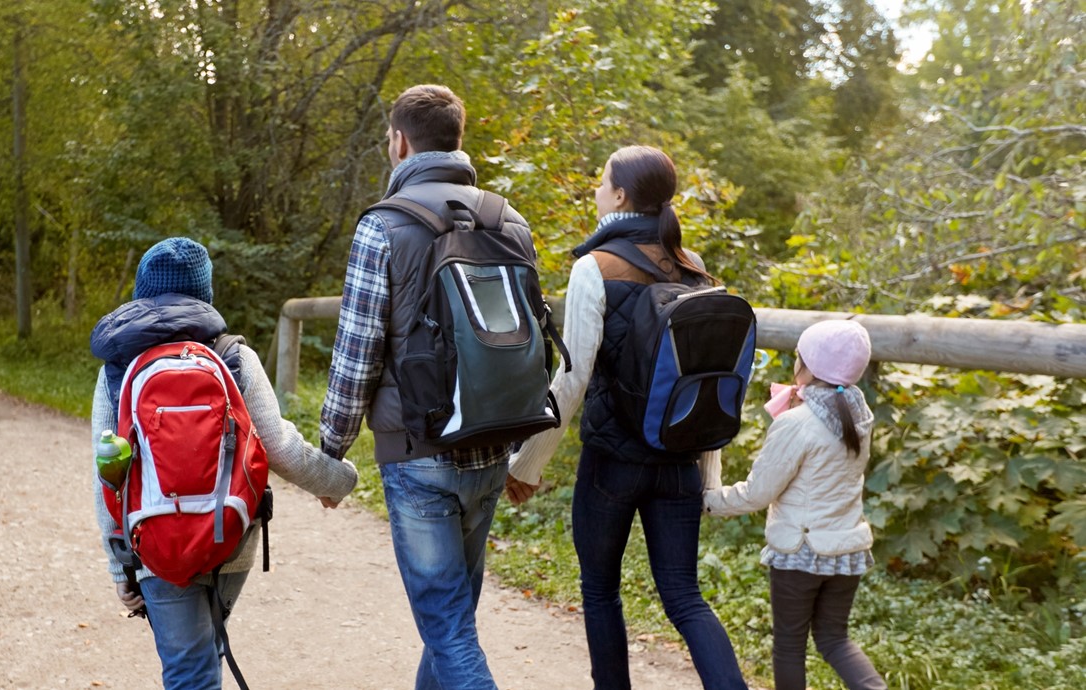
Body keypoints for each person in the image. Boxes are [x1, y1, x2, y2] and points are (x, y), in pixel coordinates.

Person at [506, 145, 749, 689]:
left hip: (613, 462)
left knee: (599, 590)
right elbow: (705, 384)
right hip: (679, 463)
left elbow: (572, 377)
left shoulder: (596, 267)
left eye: (600, 181)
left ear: (619, 196)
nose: (595, 191)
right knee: (686, 598)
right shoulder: (694, 269)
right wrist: (708, 479)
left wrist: (527, 462)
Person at [320, 84, 535, 690]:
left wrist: (330, 453)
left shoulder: (383, 226)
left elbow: (356, 352)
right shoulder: (507, 219)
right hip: (493, 442)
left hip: (417, 452)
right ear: (457, 141)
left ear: (400, 142)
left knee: (445, 625)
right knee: (453, 618)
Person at [91, 237, 358, 689]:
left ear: (141, 293)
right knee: (203, 657)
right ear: (205, 295)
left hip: (154, 542)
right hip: (228, 535)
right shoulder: (233, 356)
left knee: (188, 670)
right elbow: (282, 449)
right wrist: (339, 480)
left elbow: (106, 472)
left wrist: (121, 566)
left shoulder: (118, 366)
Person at [704, 319, 885, 690]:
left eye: (798, 356)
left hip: (801, 552)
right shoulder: (859, 417)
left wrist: (707, 501)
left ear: (808, 366)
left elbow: (758, 492)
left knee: (789, 646)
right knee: (835, 640)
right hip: (846, 550)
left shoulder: (799, 423)